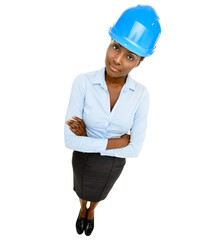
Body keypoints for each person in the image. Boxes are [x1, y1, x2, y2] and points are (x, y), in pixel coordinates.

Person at [64, 5, 161, 236]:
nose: (117, 60)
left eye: (130, 56)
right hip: (85, 160)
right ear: (109, 42)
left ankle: (91, 211)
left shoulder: (141, 95)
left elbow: (135, 149)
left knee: (98, 193)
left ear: (140, 61)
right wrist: (117, 143)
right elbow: (69, 140)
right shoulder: (83, 83)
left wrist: (87, 139)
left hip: (111, 166)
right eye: (115, 47)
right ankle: (82, 208)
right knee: (81, 189)